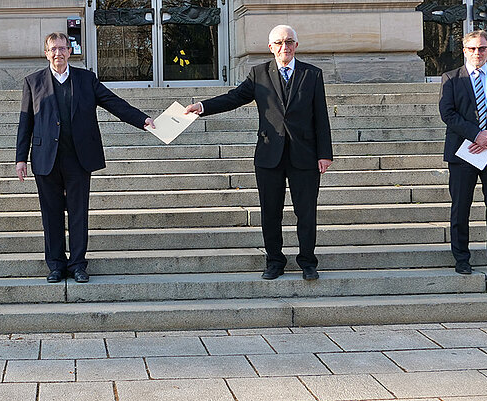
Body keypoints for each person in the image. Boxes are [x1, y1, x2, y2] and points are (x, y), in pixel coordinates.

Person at [185, 25, 333, 281]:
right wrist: (202, 106)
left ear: (296, 46)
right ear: (270, 47)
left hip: (305, 155)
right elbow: (234, 98)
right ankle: (274, 261)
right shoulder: (259, 74)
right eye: (279, 42)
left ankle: (308, 262)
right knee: (270, 211)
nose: (284, 47)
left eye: (289, 42)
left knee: (306, 212)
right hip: (269, 155)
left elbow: (321, 116)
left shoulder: (312, 74)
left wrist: (325, 153)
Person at [16, 32, 155, 284]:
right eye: (53, 49)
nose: (58, 53)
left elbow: (114, 103)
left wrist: (141, 119)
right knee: (51, 214)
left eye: (62, 48)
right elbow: (25, 122)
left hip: (78, 158)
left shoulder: (86, 79)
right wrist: (20, 158)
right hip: (46, 157)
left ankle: (78, 264)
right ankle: (56, 265)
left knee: (79, 213)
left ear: (70, 51)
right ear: (46, 53)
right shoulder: (33, 82)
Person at [438, 30, 487, 276]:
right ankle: (462, 258)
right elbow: (448, 113)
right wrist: (476, 135)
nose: (477, 53)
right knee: (461, 207)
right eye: (472, 49)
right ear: (464, 51)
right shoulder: (451, 78)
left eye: (482, 48)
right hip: (463, 153)